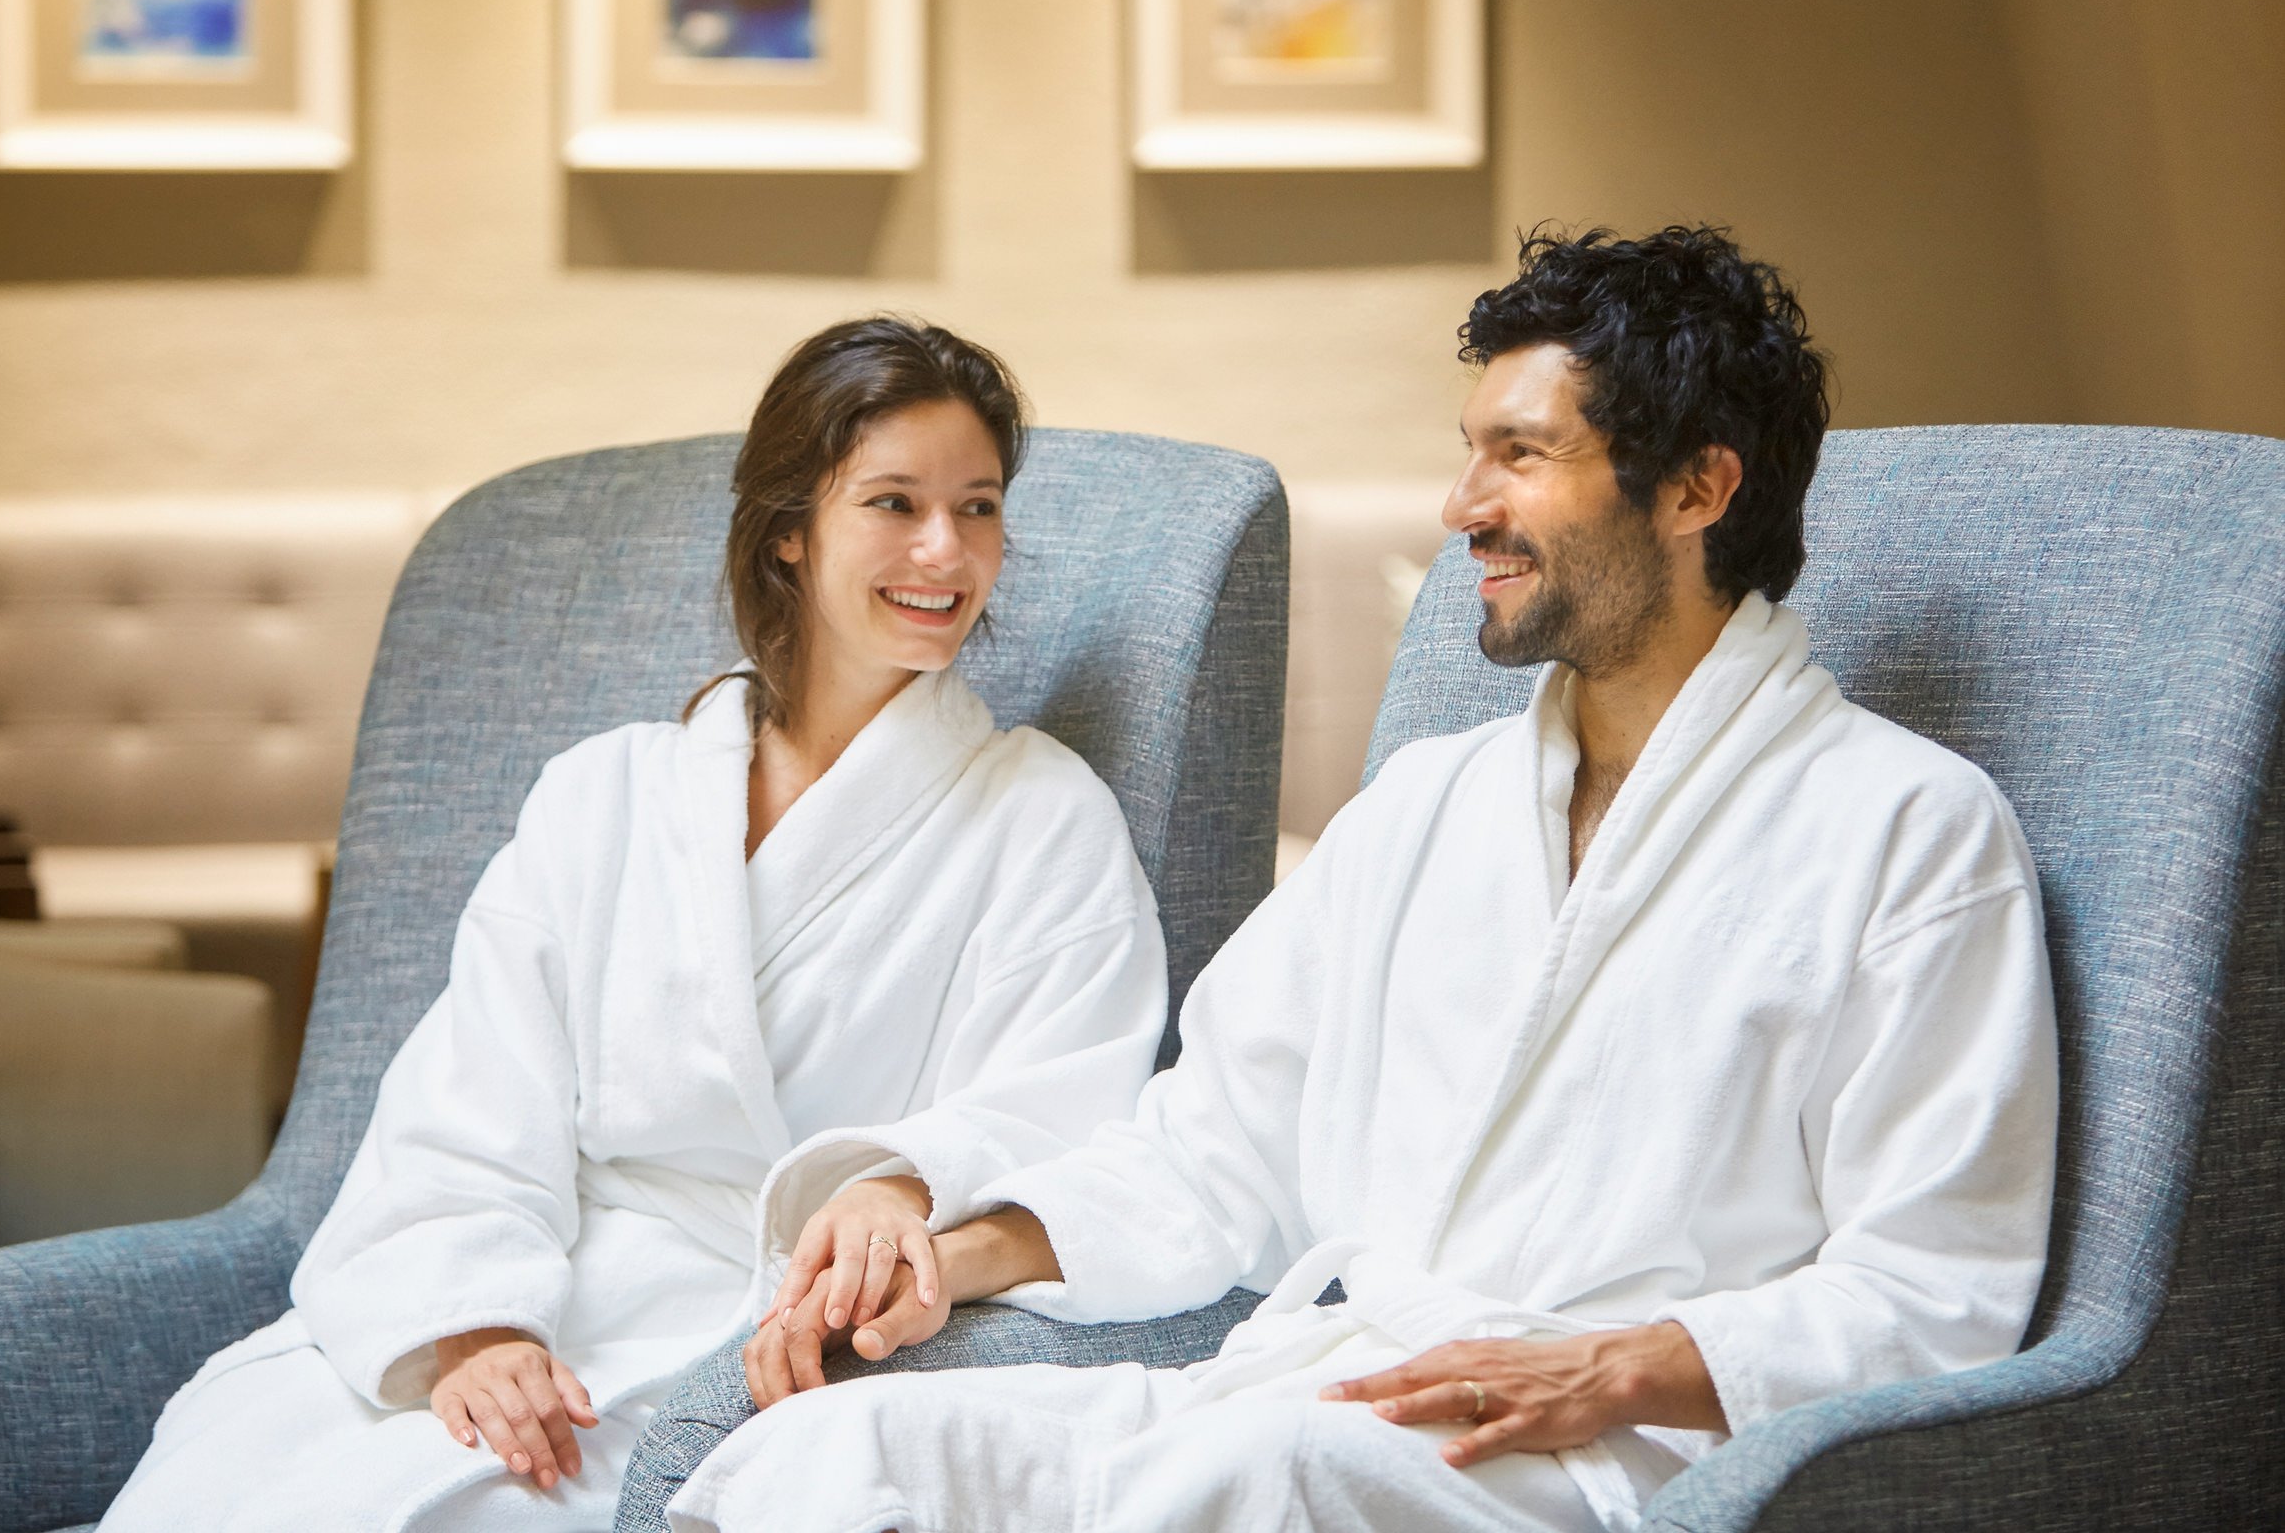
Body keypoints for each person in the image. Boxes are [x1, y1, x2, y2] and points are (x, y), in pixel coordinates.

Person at [667, 228, 2060, 1533]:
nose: (1463, 507)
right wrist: (942, 1243)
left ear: (1698, 487)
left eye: (1521, 455)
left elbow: (1937, 1283)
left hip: (1608, 1459)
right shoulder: (1425, 806)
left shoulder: (1910, 831)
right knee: (832, 1449)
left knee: (1248, 1473)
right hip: (1326, 1398)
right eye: (1470, 453)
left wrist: (1618, 1369)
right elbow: (1213, 1147)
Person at [99, 317, 1169, 1532]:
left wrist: (905, 1188)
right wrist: (477, 1328)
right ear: (787, 527)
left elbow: (1070, 1113)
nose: (946, 549)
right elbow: (471, 1095)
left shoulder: (1042, 814)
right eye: (894, 502)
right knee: (235, 1468)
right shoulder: (604, 792)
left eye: (978, 507)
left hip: (746, 1335)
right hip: (531, 1290)